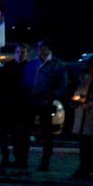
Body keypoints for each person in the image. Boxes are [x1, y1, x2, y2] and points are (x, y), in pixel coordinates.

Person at [0, 43, 33, 170]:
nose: (20, 54)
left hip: (23, 107)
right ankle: (6, 157)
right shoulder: (8, 67)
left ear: (27, 53)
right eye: (18, 52)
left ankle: (21, 160)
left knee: (21, 136)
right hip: (7, 106)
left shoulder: (30, 68)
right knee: (4, 134)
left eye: (23, 52)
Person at [25, 40, 68, 171]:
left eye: (43, 48)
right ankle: (22, 160)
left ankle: (45, 163)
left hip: (46, 103)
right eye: (39, 48)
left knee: (47, 134)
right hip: (31, 102)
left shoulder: (57, 64)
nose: (40, 50)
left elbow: (62, 85)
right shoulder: (33, 63)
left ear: (49, 49)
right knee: (25, 131)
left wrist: (51, 97)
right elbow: (26, 80)